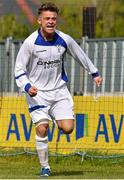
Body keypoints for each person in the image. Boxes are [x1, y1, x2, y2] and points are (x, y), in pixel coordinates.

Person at [14, 2, 102, 177]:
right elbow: (19, 69)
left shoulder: (64, 39)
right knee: (42, 128)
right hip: (37, 94)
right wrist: (27, 86)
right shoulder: (30, 43)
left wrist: (94, 73)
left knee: (68, 128)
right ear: (39, 20)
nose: (51, 21)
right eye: (47, 18)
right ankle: (45, 167)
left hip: (59, 92)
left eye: (53, 18)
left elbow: (80, 55)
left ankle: (54, 118)